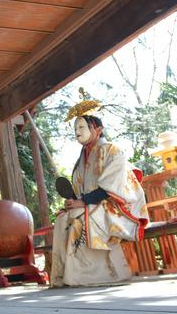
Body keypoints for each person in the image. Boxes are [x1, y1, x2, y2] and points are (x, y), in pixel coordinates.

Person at [50, 94, 149, 287]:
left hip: (115, 206)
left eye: (81, 127)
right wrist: (73, 200)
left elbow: (111, 186)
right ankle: (64, 277)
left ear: (97, 129)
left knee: (78, 216)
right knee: (62, 218)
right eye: (75, 128)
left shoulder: (112, 151)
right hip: (93, 204)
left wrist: (82, 202)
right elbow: (80, 191)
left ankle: (97, 275)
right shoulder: (81, 158)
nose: (77, 132)